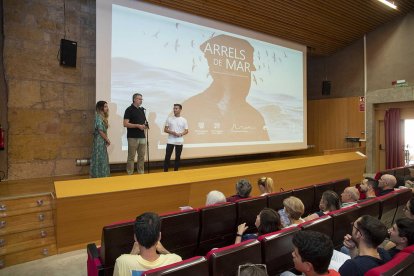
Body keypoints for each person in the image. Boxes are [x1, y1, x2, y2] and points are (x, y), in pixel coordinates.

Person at [182, 34, 269, 144]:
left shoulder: (255, 117)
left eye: (247, 72)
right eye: (240, 72)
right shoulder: (187, 112)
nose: (246, 79)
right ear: (214, 71)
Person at [113, 212, 182, 276]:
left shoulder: (121, 262)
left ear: (135, 238)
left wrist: (132, 254)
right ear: (159, 236)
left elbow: (126, 265)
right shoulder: (176, 260)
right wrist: (164, 251)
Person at [123, 93, 148, 175]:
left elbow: (142, 122)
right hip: (132, 137)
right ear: (134, 99)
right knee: (131, 157)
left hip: (142, 136)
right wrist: (137, 126)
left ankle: (141, 172)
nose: (141, 100)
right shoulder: (129, 110)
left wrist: (144, 126)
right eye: (139, 99)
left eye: (141, 99)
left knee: (141, 156)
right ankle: (130, 173)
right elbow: (125, 124)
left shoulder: (141, 110)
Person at [163, 104, 188, 172]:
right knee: (167, 157)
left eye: (176, 108)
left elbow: (186, 131)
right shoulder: (169, 118)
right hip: (170, 140)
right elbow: (165, 129)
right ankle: (165, 172)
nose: (174, 110)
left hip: (179, 141)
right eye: (174, 108)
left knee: (177, 157)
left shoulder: (184, 120)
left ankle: (175, 171)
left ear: (180, 110)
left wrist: (181, 134)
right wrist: (172, 132)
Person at [90, 101, 110, 178]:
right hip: (99, 140)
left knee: (102, 158)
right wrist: (107, 139)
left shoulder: (102, 117)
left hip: (101, 140)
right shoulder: (98, 117)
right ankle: (98, 175)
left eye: (107, 106)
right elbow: (100, 131)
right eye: (105, 106)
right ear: (100, 108)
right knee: (99, 158)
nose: (107, 108)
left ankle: (102, 175)